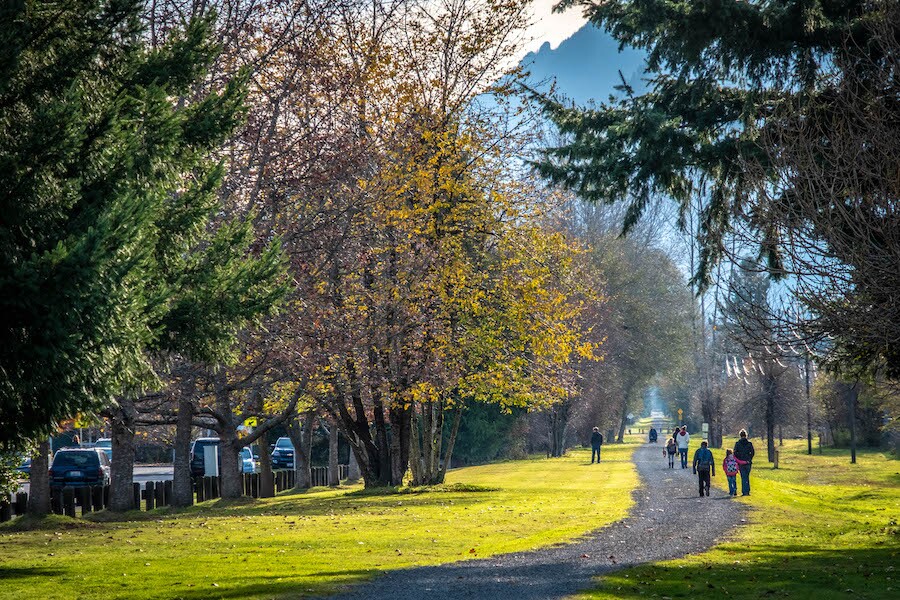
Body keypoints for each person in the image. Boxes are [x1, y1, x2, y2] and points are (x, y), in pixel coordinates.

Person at [733, 429, 755, 496]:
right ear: (746, 435)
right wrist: (749, 459)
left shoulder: (737, 444)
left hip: (741, 462)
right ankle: (747, 491)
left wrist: (738, 459)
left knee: (743, 477)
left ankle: (744, 491)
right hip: (748, 462)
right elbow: (752, 452)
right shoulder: (749, 444)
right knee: (747, 476)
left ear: (740, 435)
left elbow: (735, 453)